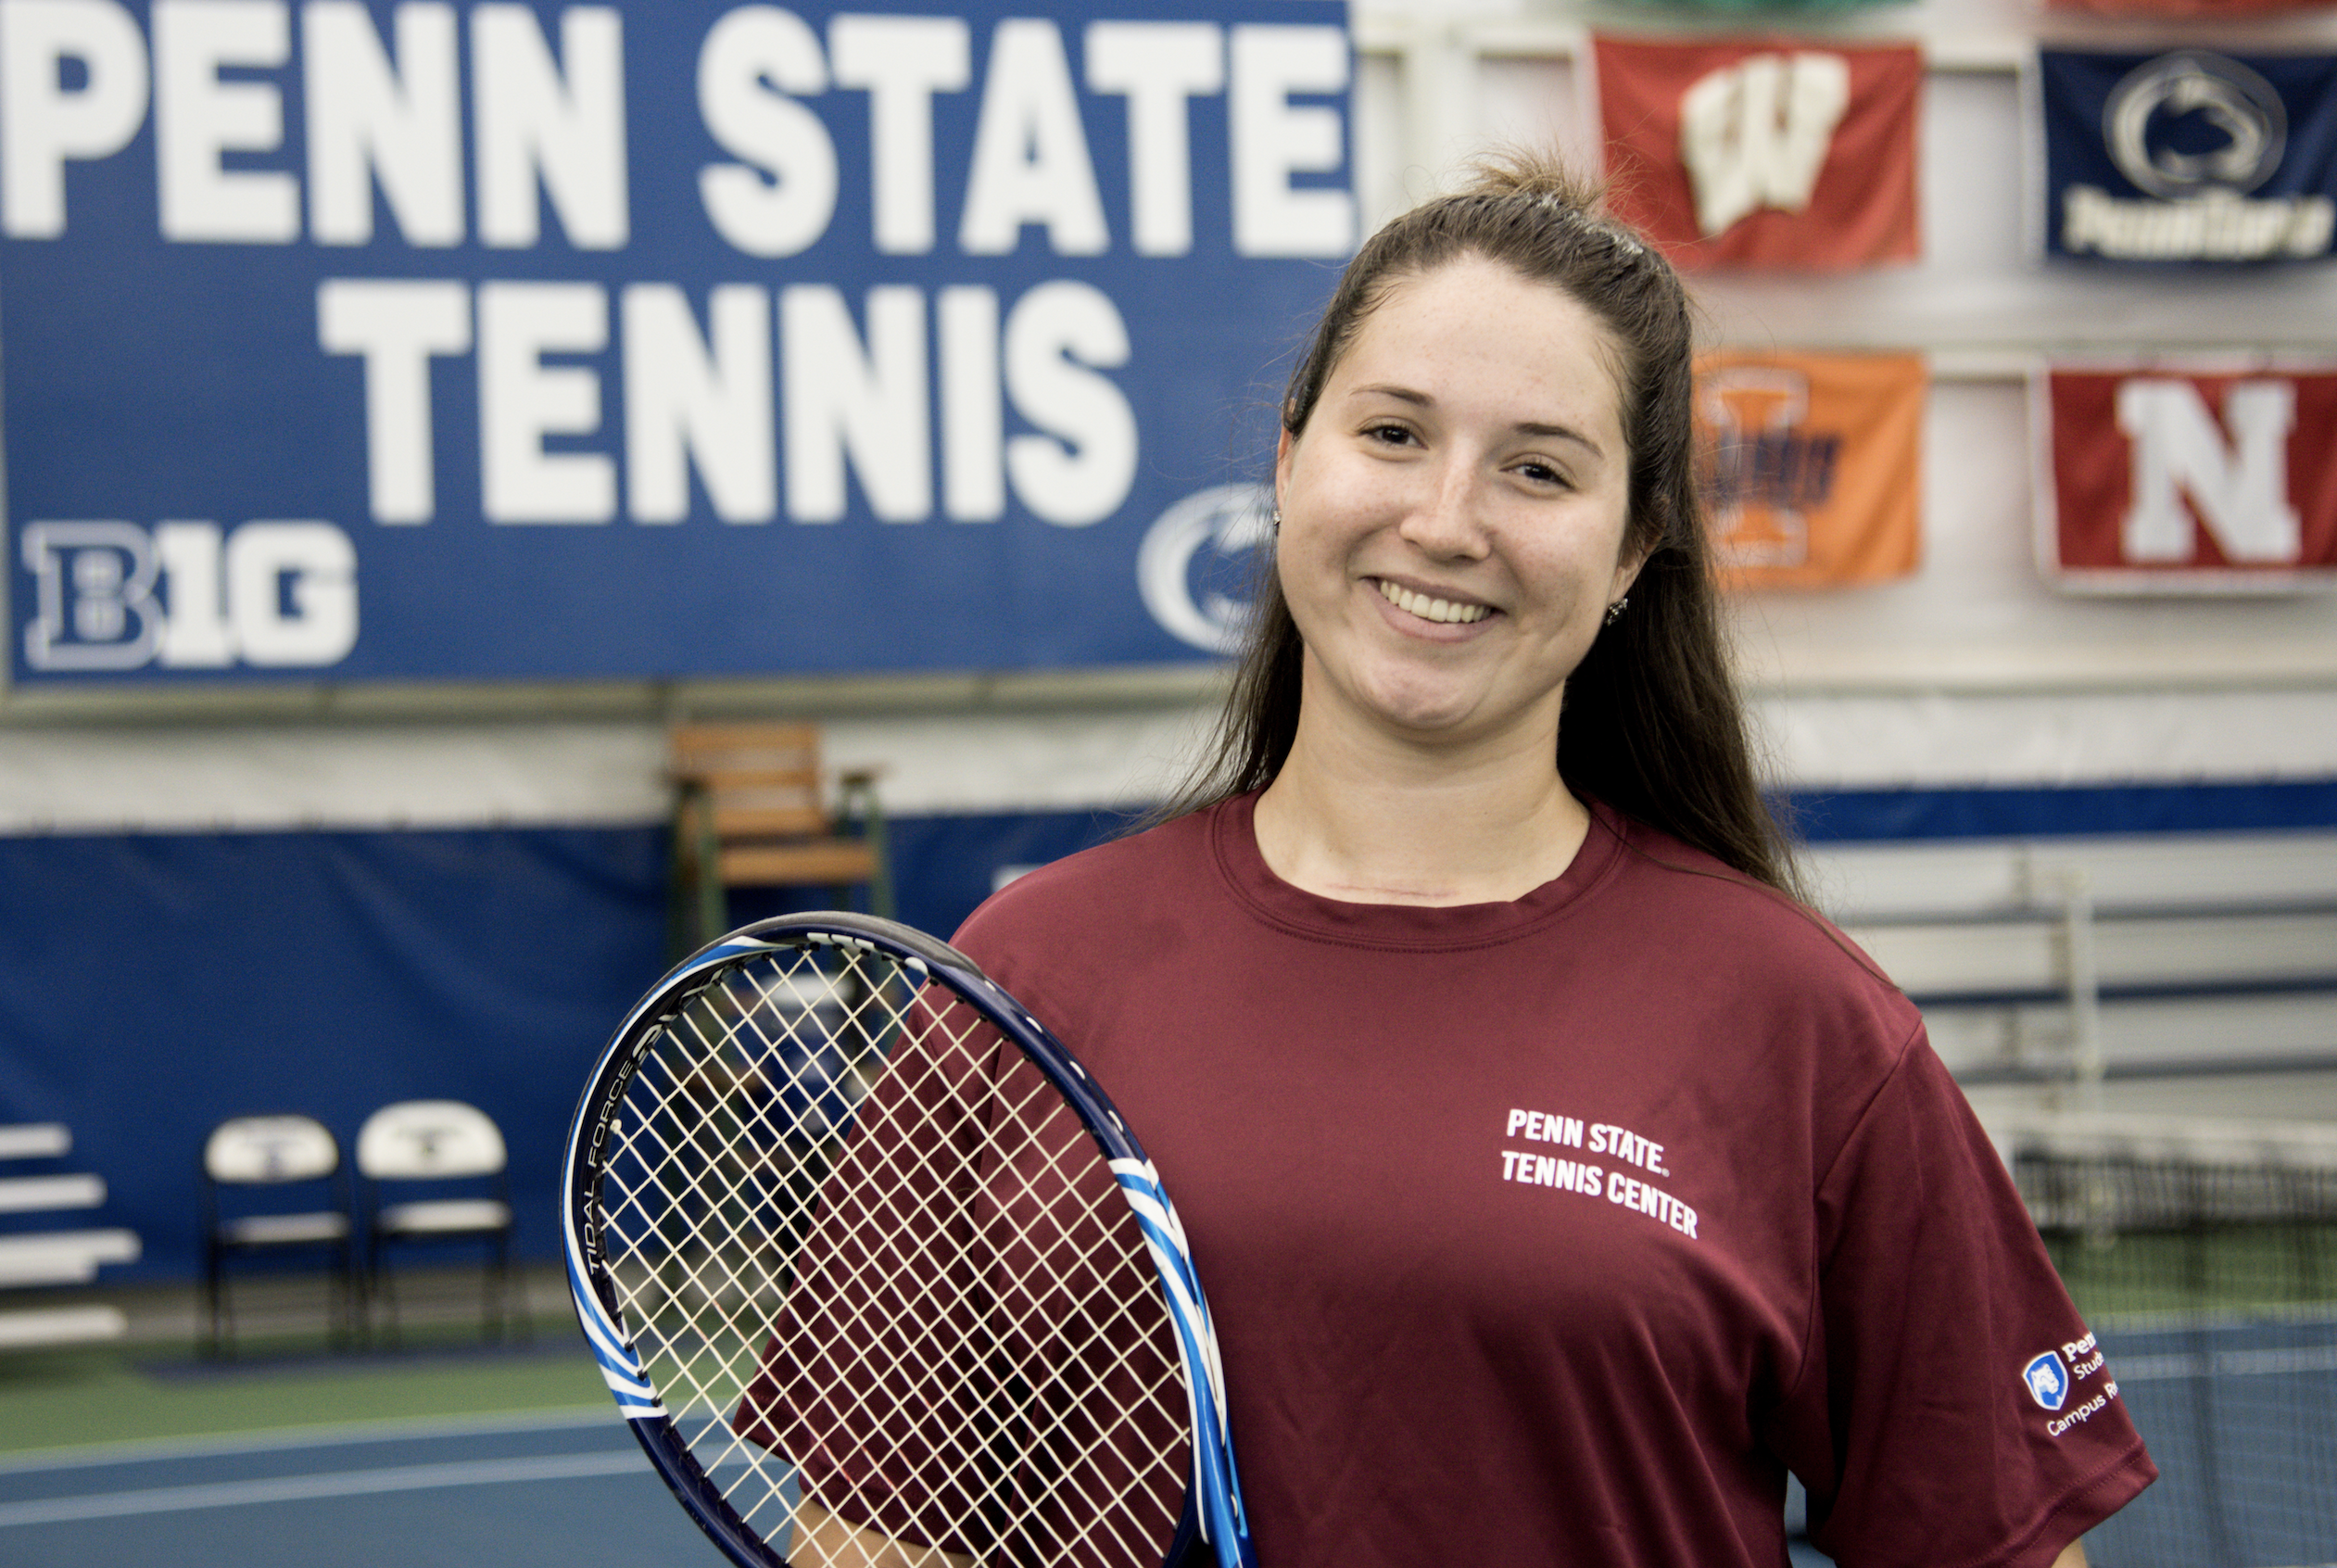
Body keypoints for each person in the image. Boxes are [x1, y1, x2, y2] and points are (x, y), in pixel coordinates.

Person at [936, 151, 2156, 1567]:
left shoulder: (1800, 1022)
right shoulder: (1021, 980)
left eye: (1536, 468)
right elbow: (870, 1538)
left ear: (1636, 546)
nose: (1446, 523)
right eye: (1392, 435)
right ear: (1288, 459)